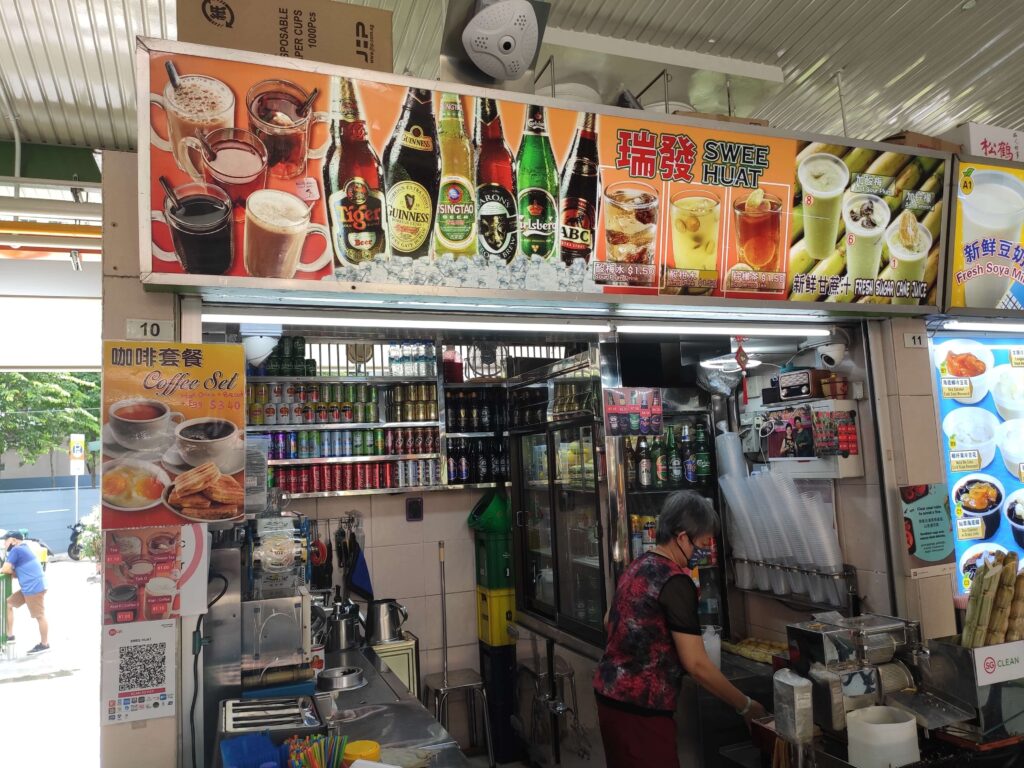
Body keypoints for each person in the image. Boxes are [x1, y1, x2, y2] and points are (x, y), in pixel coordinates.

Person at [593, 491, 764, 767]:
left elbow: (608, 621)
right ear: (682, 537)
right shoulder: (675, 581)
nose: (704, 550)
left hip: (610, 699)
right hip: (642, 710)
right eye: (702, 542)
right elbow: (696, 664)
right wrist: (745, 705)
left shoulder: (638, 564)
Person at [3, 530, 49, 654]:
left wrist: (5, 569)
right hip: (31, 586)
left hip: (33, 588)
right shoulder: (24, 548)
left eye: (6, 541)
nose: (4, 544)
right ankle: (10, 635)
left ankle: (44, 645)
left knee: (39, 616)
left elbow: (6, 569)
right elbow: (16, 573)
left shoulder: (16, 550)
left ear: (13, 540)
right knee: (9, 604)